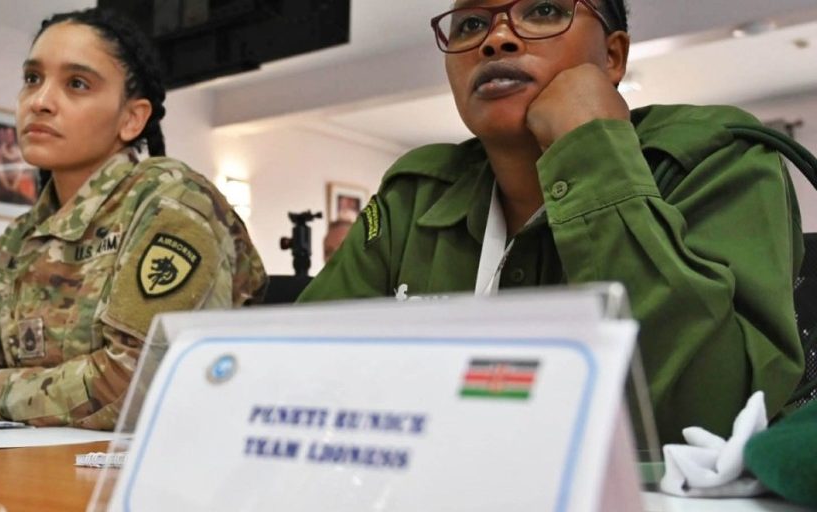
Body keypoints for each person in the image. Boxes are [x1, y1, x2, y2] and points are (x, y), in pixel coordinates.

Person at [299, 0, 805, 445]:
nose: (496, 39)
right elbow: (294, 375)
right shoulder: (413, 196)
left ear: (613, 56)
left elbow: (707, 424)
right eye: (470, 23)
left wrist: (589, 152)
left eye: (543, 10)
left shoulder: (712, 159)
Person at [0, 8, 267, 430]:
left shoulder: (172, 201)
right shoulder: (16, 244)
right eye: (32, 79)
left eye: (76, 84)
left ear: (132, 118)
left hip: (164, 480)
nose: (40, 102)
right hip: (39, 474)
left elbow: (136, 384)